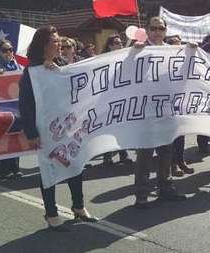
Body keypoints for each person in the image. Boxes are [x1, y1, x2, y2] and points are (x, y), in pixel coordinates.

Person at [19, 26, 96, 231]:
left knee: (75, 165)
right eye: (55, 41)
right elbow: (25, 104)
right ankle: (51, 213)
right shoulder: (32, 71)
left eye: (60, 41)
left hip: (69, 126)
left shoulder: (62, 63)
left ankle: (78, 206)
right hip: (46, 130)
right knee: (49, 169)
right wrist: (32, 133)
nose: (60, 44)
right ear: (43, 46)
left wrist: (59, 71)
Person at [132, 17, 187, 209]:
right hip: (145, 112)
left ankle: (165, 187)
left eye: (161, 28)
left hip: (166, 109)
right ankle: (142, 193)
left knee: (166, 152)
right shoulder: (137, 49)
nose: (157, 32)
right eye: (153, 28)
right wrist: (132, 54)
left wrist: (192, 52)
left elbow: (184, 71)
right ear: (147, 30)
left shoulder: (172, 51)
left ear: (165, 31)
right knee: (145, 154)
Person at [0, 40, 24, 179]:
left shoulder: (20, 67)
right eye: (4, 50)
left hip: (17, 107)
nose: (8, 52)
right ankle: (3, 169)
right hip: (0, 108)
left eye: (10, 49)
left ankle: (15, 167)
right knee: (4, 136)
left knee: (16, 136)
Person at [100, 35, 133, 166]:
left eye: (121, 43)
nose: (119, 45)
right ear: (110, 46)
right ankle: (107, 156)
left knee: (121, 128)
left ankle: (123, 154)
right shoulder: (103, 60)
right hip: (107, 100)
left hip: (122, 98)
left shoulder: (125, 58)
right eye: (116, 43)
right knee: (108, 129)